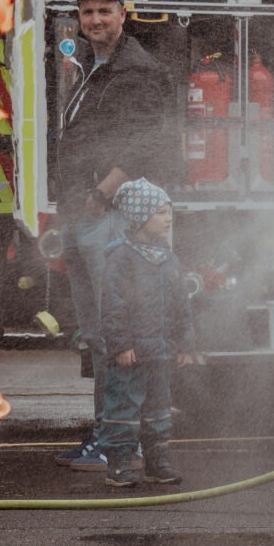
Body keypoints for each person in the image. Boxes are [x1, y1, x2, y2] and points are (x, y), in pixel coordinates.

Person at [52, 0, 181, 471]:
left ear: (123, 15)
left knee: (115, 334)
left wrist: (102, 193)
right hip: (81, 213)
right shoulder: (93, 65)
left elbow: (146, 143)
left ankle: (118, 442)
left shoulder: (137, 70)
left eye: (105, 11)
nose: (95, 20)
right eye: (88, 12)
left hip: (107, 217)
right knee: (99, 335)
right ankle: (107, 436)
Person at [98, 178, 197, 490]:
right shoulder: (122, 258)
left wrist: (185, 344)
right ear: (140, 217)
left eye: (169, 212)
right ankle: (119, 462)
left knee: (158, 408)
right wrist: (121, 345)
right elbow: (113, 305)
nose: (168, 219)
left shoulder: (170, 259)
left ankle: (157, 460)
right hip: (132, 354)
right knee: (123, 407)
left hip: (160, 353)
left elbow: (181, 305)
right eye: (161, 213)